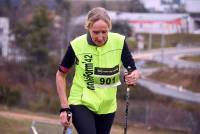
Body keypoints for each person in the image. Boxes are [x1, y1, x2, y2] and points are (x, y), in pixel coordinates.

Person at [56, 7, 140, 134]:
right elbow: (60, 75)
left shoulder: (119, 42)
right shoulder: (77, 45)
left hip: (107, 106)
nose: (100, 37)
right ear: (88, 28)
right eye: (96, 32)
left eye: (104, 32)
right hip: (81, 102)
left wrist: (132, 77)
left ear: (109, 28)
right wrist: (64, 107)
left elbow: (133, 70)